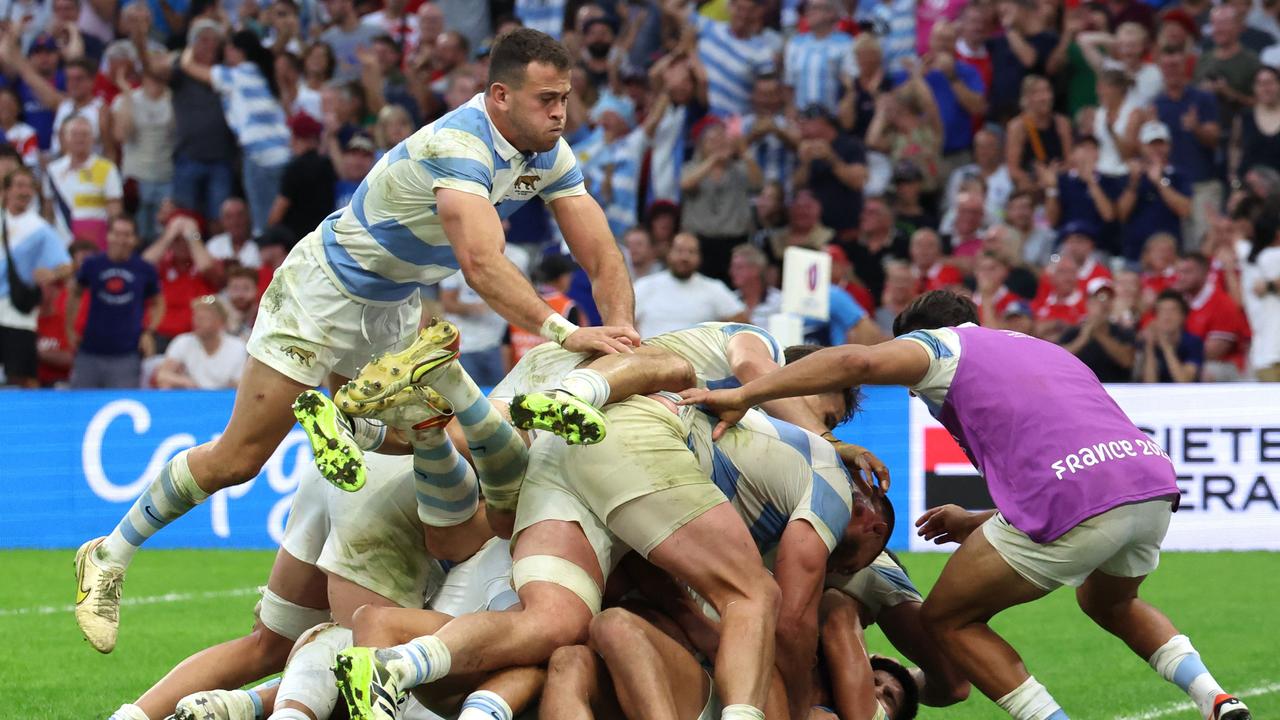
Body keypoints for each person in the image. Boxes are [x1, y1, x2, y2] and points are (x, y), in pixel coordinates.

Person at [72, 29, 639, 656]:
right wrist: (565, 329)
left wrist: (624, 342)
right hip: (323, 290)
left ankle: (344, 425)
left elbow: (601, 252)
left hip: (392, 305)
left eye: (565, 98)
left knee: (416, 439)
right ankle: (108, 554)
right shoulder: (458, 145)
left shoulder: (548, 153)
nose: (561, 113)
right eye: (546, 100)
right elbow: (480, 263)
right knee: (238, 459)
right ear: (500, 96)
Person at [683, 290, 1254, 720]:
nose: (917, 396)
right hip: (1147, 480)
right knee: (1112, 602)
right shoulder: (1039, 348)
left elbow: (857, 363)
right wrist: (979, 520)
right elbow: (1073, 459)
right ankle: (1215, 697)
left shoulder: (942, 346)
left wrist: (746, 392)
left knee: (945, 619)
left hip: (1075, 496)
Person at [181, 30, 292, 234]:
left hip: (260, 158)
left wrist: (191, 44)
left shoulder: (235, 75)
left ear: (237, 51)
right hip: (285, 154)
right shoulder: (264, 73)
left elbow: (188, 66)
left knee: (264, 224)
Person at [66, 216, 163, 389]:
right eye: (116, 234)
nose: (121, 240)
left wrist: (149, 331)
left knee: (122, 406)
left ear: (135, 239)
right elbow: (75, 294)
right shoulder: (92, 264)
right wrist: (69, 328)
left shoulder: (145, 269)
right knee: (80, 408)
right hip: (90, 351)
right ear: (108, 236)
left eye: (126, 235)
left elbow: (159, 302)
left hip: (126, 354)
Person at [0, 167, 70, 387]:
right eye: (19, 186)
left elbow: (67, 266)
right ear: (6, 191)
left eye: (29, 187)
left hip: (17, 312)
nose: (25, 191)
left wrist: (51, 273)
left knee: (19, 374)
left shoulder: (40, 229)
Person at [634, 232, 747, 337]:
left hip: (697, 357)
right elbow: (622, 323)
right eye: (679, 251)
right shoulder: (645, 286)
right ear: (669, 253)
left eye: (691, 252)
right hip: (651, 355)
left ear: (700, 257)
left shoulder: (714, 288)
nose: (684, 257)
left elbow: (744, 326)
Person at [1117, 122, 1192, 264]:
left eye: (1161, 144)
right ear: (1142, 146)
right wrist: (1134, 182)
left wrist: (1160, 181)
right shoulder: (1129, 174)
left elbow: (1185, 210)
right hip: (1135, 255)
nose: (1157, 149)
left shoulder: (1178, 175)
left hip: (1170, 256)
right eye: (1151, 144)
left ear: (1169, 145)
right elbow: (1121, 214)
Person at [43, 116, 123, 248]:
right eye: (75, 134)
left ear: (93, 138)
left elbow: (114, 211)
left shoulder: (107, 168)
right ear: (65, 138)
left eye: (85, 134)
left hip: (95, 243)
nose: (80, 139)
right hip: (63, 243)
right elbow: (48, 211)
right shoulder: (53, 170)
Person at [269, 113, 338, 244]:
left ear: (299, 139)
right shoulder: (327, 165)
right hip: (323, 237)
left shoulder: (294, 168)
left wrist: (268, 232)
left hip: (296, 242)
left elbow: (278, 212)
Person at [154, 295, 248, 389]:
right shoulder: (182, 342)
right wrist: (186, 382)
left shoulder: (237, 347)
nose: (197, 322)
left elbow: (240, 384)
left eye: (204, 318)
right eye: (196, 317)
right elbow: (162, 376)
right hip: (192, 398)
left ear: (220, 322)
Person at [1056, 278, 1137, 383]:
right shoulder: (1073, 333)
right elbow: (1059, 361)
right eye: (1099, 298)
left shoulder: (1122, 332)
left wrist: (1099, 334)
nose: (1104, 304)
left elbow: (1127, 361)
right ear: (1088, 303)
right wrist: (1083, 338)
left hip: (1116, 391)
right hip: (1081, 389)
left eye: (1108, 298)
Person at [1140, 290, 1204, 382]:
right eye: (1162, 310)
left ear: (1183, 316)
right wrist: (1149, 348)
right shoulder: (1148, 342)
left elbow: (1184, 381)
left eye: (1173, 310)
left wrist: (1166, 346)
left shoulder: (1193, 343)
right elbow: (1149, 384)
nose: (1167, 315)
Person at [205, 198, 260, 269]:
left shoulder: (261, 244)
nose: (235, 221)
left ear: (248, 217)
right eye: (229, 217)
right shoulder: (213, 245)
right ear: (222, 221)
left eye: (240, 215)